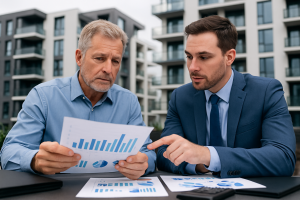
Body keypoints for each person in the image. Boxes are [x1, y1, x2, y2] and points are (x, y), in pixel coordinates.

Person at [0, 20, 156, 180]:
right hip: (58, 192)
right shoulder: (43, 96)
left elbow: (147, 153)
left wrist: (142, 164)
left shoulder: (128, 101)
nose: (108, 69)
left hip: (113, 192)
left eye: (115, 61)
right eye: (100, 58)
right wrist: (35, 161)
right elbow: (9, 153)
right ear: (79, 57)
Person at [148, 15, 296, 178]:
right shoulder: (180, 97)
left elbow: (283, 158)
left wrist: (208, 155)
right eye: (189, 57)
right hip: (194, 191)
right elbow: (163, 154)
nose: (192, 67)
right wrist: (201, 164)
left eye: (204, 57)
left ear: (229, 57)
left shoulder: (266, 91)